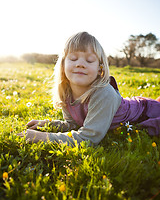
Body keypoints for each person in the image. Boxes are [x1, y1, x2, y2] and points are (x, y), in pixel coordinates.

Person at [18, 32, 160, 145]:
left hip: (148, 112)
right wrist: (49, 124)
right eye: (73, 59)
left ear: (100, 69)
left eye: (89, 60)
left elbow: (89, 138)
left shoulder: (104, 93)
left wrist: (41, 137)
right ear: (62, 65)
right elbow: (74, 124)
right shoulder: (67, 92)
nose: (80, 64)